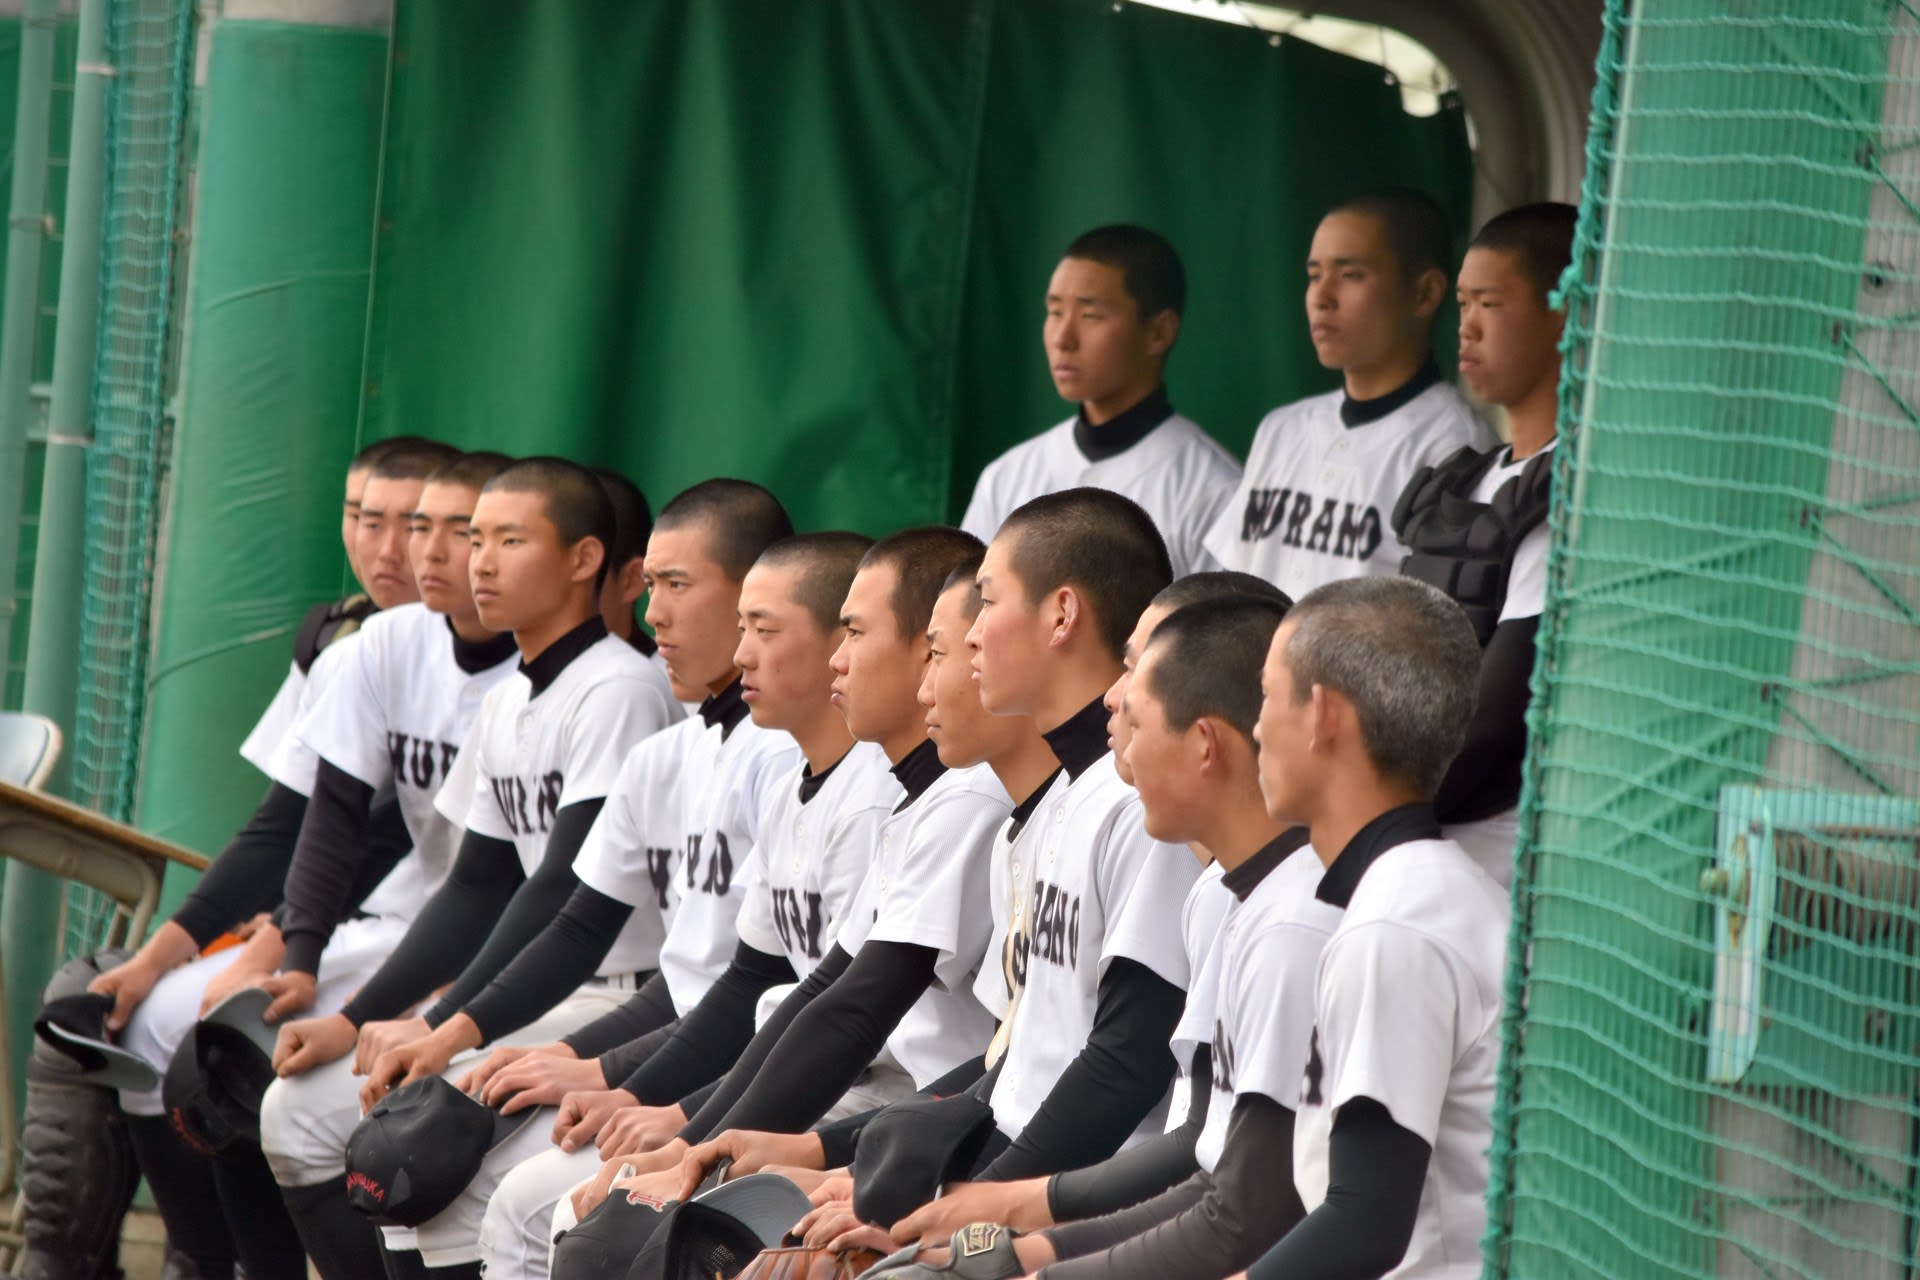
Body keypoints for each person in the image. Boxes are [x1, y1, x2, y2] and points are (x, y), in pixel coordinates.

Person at [5, 439, 455, 1280]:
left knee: (221, 1048)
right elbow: (285, 824)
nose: (399, 549)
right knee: (113, 1010)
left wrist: (286, 934)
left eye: (425, 525)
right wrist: (158, 953)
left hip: (410, 934)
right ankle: (192, 1261)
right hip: (335, 924)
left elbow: (439, 860)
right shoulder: (343, 636)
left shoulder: (525, 670)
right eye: (370, 519)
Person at [257, 458, 683, 1279]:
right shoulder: (507, 700)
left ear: (585, 559)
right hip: (536, 987)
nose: (478, 562)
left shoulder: (618, 690)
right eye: (474, 539)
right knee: (300, 1110)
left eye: (508, 540)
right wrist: (363, 1018)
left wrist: (448, 1022)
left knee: (423, 1148)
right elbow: (476, 886)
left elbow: (563, 894)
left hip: (615, 989)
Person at [547, 532, 1025, 1253]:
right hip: (901, 1112)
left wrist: (697, 1140)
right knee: (578, 1216)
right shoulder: (916, 799)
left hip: (918, 1110)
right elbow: (810, 990)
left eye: (856, 634)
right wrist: (696, 1134)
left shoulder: (965, 799)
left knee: (595, 1229)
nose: (839, 658)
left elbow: (857, 1016)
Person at [450, 530, 893, 1279]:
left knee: (549, 1212)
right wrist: (669, 1110)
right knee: (439, 1141)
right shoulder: (794, 781)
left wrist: (682, 1122)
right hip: (765, 1071)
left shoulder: (878, 793)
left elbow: (846, 1023)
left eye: (764, 629)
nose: (743, 655)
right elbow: (758, 988)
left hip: (869, 1093)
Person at [1232, 576, 1507, 1280]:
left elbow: (1366, 1221)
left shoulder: (1397, 922)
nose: (1257, 726)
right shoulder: (1412, 894)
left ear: (1323, 713)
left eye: (1267, 695)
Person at [1392, 201, 1576, 882]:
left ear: (1565, 313)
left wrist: (1371, 812)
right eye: (1462, 302)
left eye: (1490, 303)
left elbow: (1496, 723)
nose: (1465, 327)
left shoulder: (1565, 489)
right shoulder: (1461, 479)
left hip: (1497, 855)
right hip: (1406, 836)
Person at [1203, 190, 1494, 597]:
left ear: (1425, 293)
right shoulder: (1282, 429)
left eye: (1350, 275)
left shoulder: (1455, 445)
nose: (1321, 298)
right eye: (1314, 275)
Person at [961, 225, 1241, 576]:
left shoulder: (1214, 489)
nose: (1063, 338)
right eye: (1055, 312)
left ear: (1159, 332)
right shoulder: (1008, 476)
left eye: (1090, 315)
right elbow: (966, 614)